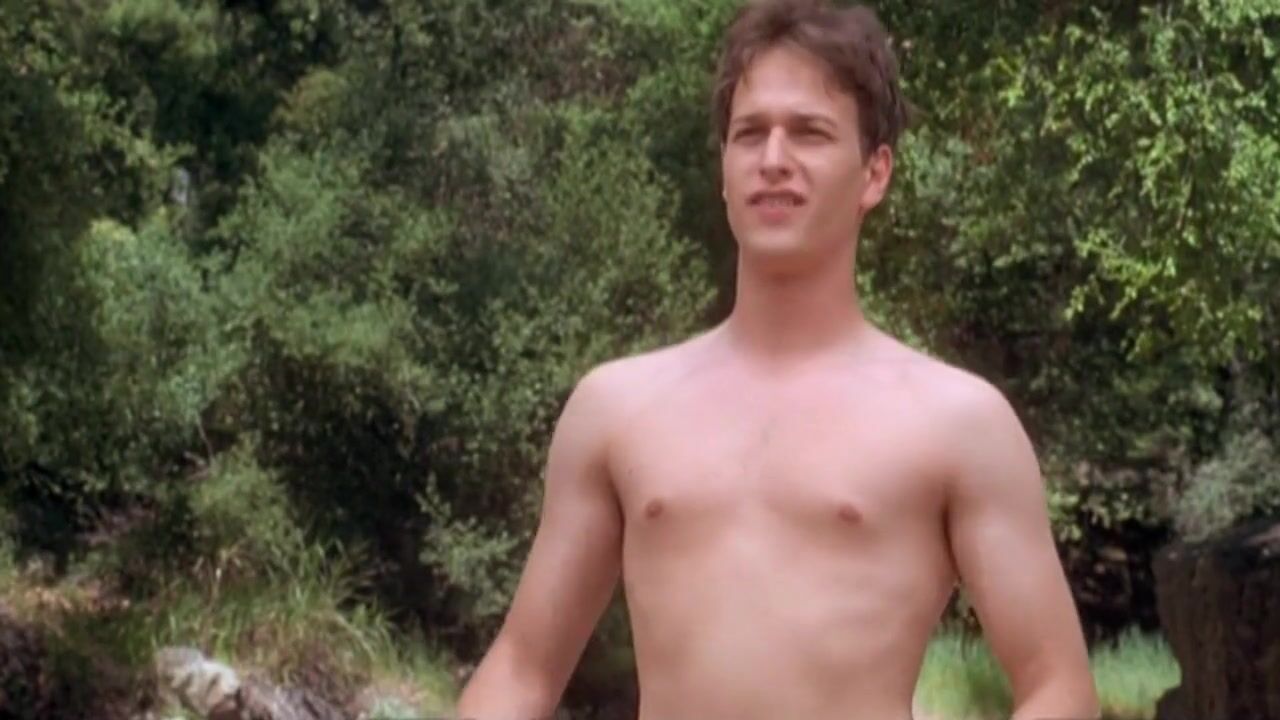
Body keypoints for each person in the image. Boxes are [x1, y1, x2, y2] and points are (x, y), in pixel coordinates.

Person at [454, 0, 1101, 718]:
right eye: (750, 133)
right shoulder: (618, 409)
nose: (773, 161)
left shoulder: (957, 423)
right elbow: (522, 671)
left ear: (875, 173)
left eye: (810, 133)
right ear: (724, 169)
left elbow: (1059, 688)